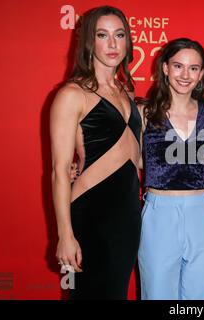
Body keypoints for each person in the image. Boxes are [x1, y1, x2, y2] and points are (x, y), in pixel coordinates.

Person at [50, 6, 142, 299]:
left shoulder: (127, 93)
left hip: (127, 214)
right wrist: (65, 234)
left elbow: (137, 158)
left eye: (119, 35)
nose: (113, 44)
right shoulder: (71, 95)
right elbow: (60, 170)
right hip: (91, 215)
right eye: (103, 35)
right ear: (90, 41)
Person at [138, 38, 204, 300]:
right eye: (178, 66)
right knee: (157, 294)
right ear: (164, 68)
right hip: (158, 214)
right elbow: (129, 161)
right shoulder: (144, 113)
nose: (186, 75)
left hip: (202, 214)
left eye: (194, 68)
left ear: (202, 74)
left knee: (200, 297)